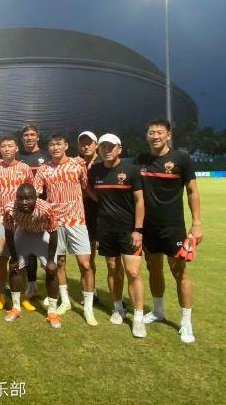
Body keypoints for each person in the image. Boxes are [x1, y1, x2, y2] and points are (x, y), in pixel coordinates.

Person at [135, 119, 203, 343]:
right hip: (148, 227)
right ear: (147, 136)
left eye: (159, 132)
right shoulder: (141, 160)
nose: (155, 136)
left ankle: (186, 322)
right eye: (151, 132)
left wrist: (197, 223)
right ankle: (158, 311)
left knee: (179, 271)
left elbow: (192, 191)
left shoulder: (181, 158)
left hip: (173, 227)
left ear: (168, 135)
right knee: (153, 269)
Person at [34, 133, 97, 326]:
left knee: (85, 263)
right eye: (51, 145)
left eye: (58, 144)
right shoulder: (44, 169)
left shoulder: (78, 164)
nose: (55, 148)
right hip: (54, 221)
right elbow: (36, 192)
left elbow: (86, 188)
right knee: (59, 262)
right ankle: (66, 301)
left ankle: (88, 308)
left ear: (66, 145)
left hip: (76, 220)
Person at [87, 134, 147, 338]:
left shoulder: (131, 170)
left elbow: (140, 201)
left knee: (132, 272)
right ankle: (118, 307)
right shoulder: (95, 170)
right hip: (105, 229)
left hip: (128, 229)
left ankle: (138, 316)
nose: (107, 150)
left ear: (119, 148)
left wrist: (138, 230)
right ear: (99, 150)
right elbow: (89, 190)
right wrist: (102, 202)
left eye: (111, 146)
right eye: (103, 146)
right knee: (112, 268)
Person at [3, 184, 60, 328]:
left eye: (29, 198)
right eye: (21, 199)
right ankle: (16, 307)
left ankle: (52, 311)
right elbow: (8, 233)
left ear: (36, 197)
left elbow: (53, 233)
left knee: (51, 270)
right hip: (24, 233)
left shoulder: (46, 209)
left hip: (42, 234)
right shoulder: (10, 209)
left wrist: (51, 260)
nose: (24, 202)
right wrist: (14, 257)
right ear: (16, 198)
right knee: (15, 268)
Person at [0, 135, 34, 311]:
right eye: (4, 146)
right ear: (0, 149)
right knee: (1, 259)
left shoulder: (25, 168)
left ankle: (22, 296)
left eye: (10, 146)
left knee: (21, 260)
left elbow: (31, 194)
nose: (7, 149)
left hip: (21, 220)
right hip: (0, 219)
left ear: (16, 148)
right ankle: (0, 295)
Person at [16, 125, 48, 301]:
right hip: (22, 211)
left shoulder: (46, 155)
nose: (29, 138)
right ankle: (31, 286)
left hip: (43, 211)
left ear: (38, 136)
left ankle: (49, 289)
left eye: (32, 135)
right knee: (25, 251)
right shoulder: (18, 157)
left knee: (45, 251)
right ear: (22, 138)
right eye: (26, 135)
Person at [75, 131, 102, 304]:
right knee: (87, 257)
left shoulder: (103, 162)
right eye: (83, 143)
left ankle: (115, 295)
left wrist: (85, 192)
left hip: (103, 215)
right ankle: (91, 291)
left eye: (89, 143)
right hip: (81, 216)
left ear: (96, 144)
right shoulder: (76, 163)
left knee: (112, 261)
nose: (86, 146)